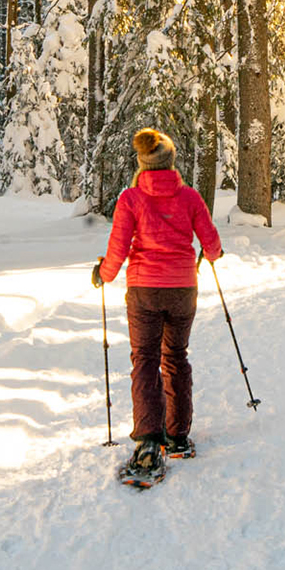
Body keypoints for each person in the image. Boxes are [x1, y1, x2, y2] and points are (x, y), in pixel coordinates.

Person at [92, 127, 221, 482]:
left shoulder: (131, 198)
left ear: (143, 162)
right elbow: (211, 244)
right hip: (182, 288)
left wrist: (104, 273)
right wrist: (213, 254)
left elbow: (118, 249)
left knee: (145, 359)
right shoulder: (190, 197)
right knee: (175, 357)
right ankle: (178, 436)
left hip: (144, 289)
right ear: (171, 161)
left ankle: (149, 440)